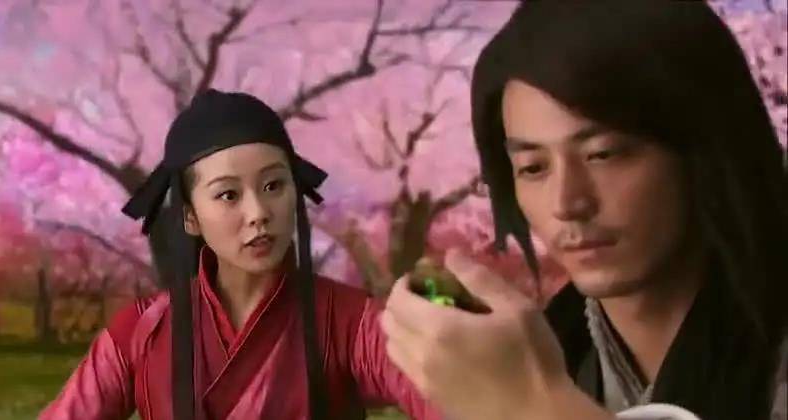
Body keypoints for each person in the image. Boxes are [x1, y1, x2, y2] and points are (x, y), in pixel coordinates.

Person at [380, 2, 788, 420]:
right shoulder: (559, 346)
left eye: (603, 154)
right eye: (533, 168)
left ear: (703, 145)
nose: (567, 203)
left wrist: (535, 404)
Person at [40, 89, 442, 420]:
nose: (258, 213)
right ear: (190, 217)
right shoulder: (141, 332)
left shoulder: (351, 322)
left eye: (273, 186)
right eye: (228, 194)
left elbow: (452, 402)